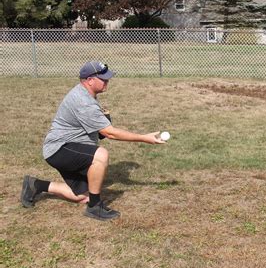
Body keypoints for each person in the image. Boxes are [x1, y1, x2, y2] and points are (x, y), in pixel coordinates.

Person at [20, 61, 166, 221]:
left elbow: (100, 131)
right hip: (59, 149)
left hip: (68, 147)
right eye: (103, 78)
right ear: (89, 80)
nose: (107, 81)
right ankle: (95, 208)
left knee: (82, 197)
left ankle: (35, 185)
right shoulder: (83, 101)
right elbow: (110, 134)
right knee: (101, 155)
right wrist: (144, 138)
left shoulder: (87, 95)